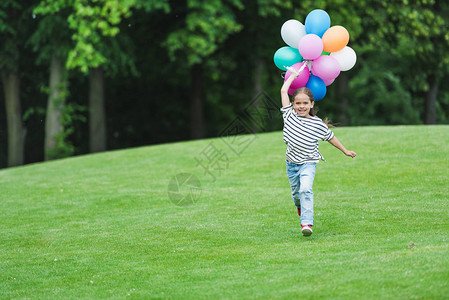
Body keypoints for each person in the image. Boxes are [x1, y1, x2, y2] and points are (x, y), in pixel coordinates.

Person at [280, 67, 356, 237]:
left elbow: (331, 137)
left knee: (306, 189)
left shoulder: (317, 124)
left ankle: (306, 223)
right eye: (298, 103)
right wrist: (293, 76)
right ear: (293, 104)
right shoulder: (288, 115)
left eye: (305, 103)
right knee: (296, 194)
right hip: (291, 164)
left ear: (312, 104)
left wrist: (345, 150)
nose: (301, 106)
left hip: (308, 163)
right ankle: (300, 207)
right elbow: (284, 90)